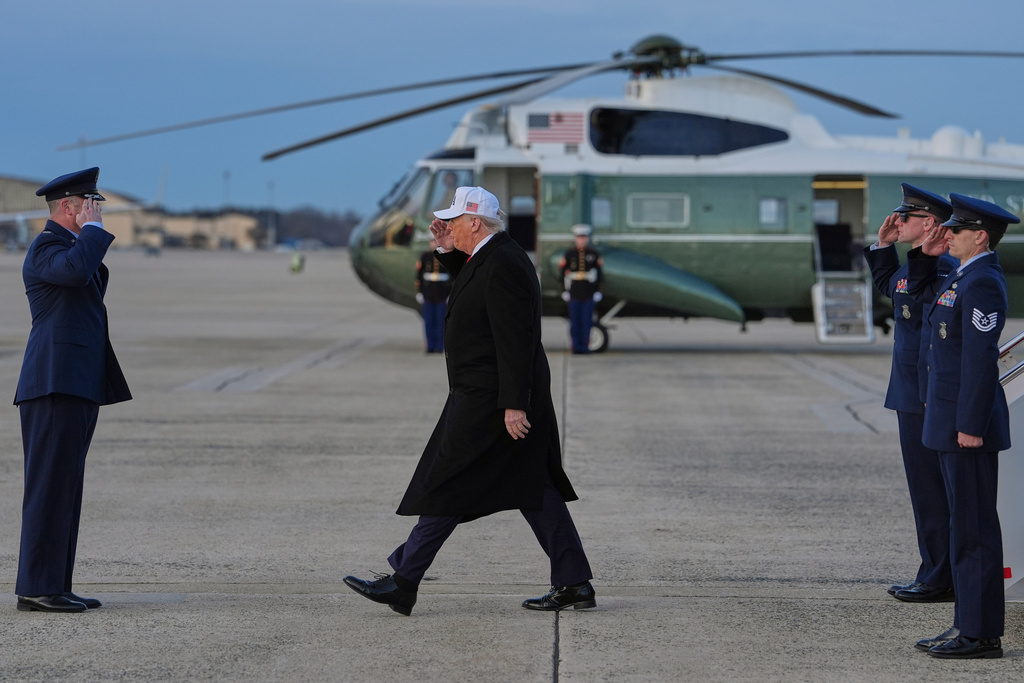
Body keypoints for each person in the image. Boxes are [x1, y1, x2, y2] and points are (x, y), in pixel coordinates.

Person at [344, 186, 595, 615]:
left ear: (475, 222)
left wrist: (514, 404)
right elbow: (477, 283)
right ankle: (574, 583)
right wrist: (446, 250)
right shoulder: (497, 256)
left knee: (447, 483)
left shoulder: (505, 265)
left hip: (491, 400)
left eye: (454, 222)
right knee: (535, 490)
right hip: (492, 395)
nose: (448, 227)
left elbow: (515, 340)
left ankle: (404, 582)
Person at [14, 167, 132, 613]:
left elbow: (85, 274)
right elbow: (77, 272)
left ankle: (54, 585)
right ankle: (36, 588)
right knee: (48, 487)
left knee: (65, 487)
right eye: (90, 203)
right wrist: (94, 232)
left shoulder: (69, 249)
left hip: (75, 383)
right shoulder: (47, 247)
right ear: (68, 206)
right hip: (52, 384)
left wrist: (89, 235)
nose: (96, 210)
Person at [908, 193, 1018, 659]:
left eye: (956, 229)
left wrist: (970, 423)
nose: (946, 234)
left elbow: (979, 360)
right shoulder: (962, 276)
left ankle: (979, 634)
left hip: (965, 426)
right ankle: (965, 626)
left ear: (981, 236)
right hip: (949, 420)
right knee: (963, 529)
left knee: (973, 531)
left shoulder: (984, 282)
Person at [862, 184, 955, 603]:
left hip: (926, 393)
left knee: (935, 491)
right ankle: (934, 571)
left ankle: (939, 577)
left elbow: (916, 291)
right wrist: (882, 247)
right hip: (909, 392)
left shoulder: (942, 268)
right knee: (925, 491)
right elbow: (894, 290)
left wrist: (917, 258)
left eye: (907, 218)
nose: (898, 222)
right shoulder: (915, 268)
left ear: (930, 225)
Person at [559, 224, 603, 353]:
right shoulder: (570, 253)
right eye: (579, 237)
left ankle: (584, 346)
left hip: (588, 292)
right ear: (576, 239)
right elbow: (562, 272)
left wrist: (598, 291)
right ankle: (576, 346)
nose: (582, 240)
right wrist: (564, 291)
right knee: (575, 322)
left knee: (586, 322)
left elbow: (599, 274)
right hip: (574, 292)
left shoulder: (593, 254)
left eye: (584, 237)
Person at [414, 237, 450, 353]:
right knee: (428, 322)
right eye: (432, 242)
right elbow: (419, 276)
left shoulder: (445, 256)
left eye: (435, 242)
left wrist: (450, 293)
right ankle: (430, 345)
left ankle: (440, 346)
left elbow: (451, 277)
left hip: (441, 294)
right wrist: (419, 292)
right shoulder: (425, 257)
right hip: (428, 294)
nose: (433, 244)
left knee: (440, 322)